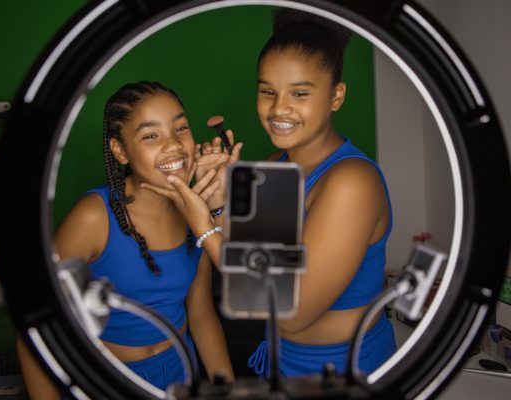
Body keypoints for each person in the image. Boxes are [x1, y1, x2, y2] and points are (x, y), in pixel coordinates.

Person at [144, 8, 396, 378]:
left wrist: (201, 226)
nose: (279, 108)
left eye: (300, 93)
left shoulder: (351, 182)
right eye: (268, 91)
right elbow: (257, 276)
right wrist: (217, 203)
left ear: (336, 96)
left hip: (345, 370)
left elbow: (290, 313)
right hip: (281, 361)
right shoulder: (276, 163)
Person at [17, 81, 235, 398]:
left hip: (180, 377)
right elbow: (35, 323)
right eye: (150, 135)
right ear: (120, 150)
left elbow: (200, 313)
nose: (174, 144)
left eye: (181, 128)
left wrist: (228, 389)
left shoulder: (195, 213)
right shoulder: (94, 216)